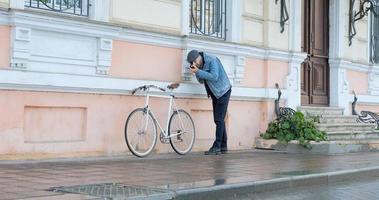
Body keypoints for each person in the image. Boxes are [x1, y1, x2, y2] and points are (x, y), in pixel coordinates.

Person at [187, 50, 232, 155]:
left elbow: (214, 77)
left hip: (223, 91)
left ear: (198, 58)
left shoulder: (212, 60)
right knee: (219, 120)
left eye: (193, 62)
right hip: (215, 93)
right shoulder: (200, 64)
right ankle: (223, 146)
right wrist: (196, 73)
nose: (193, 64)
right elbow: (202, 81)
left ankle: (217, 147)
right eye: (191, 63)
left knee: (219, 119)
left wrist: (198, 71)